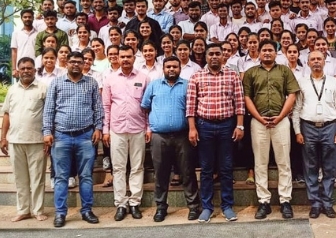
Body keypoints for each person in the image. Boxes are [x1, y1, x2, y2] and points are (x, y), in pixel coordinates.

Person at [43, 51, 104, 228]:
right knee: (61, 177)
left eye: (79, 62)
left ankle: (87, 210)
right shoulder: (56, 83)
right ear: (66, 63)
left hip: (85, 136)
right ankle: (60, 213)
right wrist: (47, 132)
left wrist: (98, 128)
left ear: (84, 64)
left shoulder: (91, 83)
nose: (76, 64)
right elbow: (49, 109)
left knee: (86, 176)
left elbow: (98, 108)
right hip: (61, 136)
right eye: (72, 62)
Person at [186, 43, 246, 223]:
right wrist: (192, 128)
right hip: (204, 126)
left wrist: (240, 126)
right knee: (206, 169)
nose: (214, 56)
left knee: (226, 168)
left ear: (223, 56)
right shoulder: (196, 76)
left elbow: (239, 102)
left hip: (227, 126)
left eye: (217, 53)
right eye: (210, 53)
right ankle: (207, 207)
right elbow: (191, 105)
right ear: (206, 57)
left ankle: (227, 206)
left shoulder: (232, 75)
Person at [243, 40, 300, 220]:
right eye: (264, 50)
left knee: (284, 162)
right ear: (259, 53)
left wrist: (281, 116)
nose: (267, 53)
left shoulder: (284, 71)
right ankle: (264, 201)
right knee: (260, 163)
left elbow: (292, 95)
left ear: (276, 53)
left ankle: (285, 200)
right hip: (258, 122)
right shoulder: (251, 73)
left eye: (270, 50)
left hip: (280, 121)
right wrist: (259, 118)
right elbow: (246, 98)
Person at [141, 56, 201, 222]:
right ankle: (161, 207)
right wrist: (149, 127)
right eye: (168, 67)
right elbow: (145, 107)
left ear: (180, 68)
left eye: (175, 66)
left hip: (183, 136)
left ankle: (193, 206)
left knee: (187, 172)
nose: (171, 69)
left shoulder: (188, 85)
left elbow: (194, 108)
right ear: (163, 69)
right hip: (159, 136)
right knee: (161, 174)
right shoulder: (154, 85)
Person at [292, 50, 336, 219]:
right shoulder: (301, 82)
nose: (316, 62)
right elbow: (296, 108)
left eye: (319, 59)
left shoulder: (333, 81)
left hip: (330, 127)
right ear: (308, 63)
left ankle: (327, 203)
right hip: (308, 127)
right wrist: (297, 131)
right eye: (313, 59)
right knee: (310, 166)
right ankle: (315, 203)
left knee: (329, 166)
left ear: (324, 62)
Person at [102, 45, 148, 221]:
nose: (126, 59)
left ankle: (135, 202)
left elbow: (147, 106)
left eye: (129, 56)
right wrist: (105, 130)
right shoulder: (110, 79)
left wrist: (148, 128)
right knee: (119, 168)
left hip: (138, 128)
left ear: (134, 58)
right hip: (117, 130)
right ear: (117, 58)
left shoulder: (144, 78)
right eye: (122, 57)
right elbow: (106, 107)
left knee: (137, 167)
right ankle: (121, 204)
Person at [1, 57, 49, 222]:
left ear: (35, 70)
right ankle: (23, 210)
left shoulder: (43, 88)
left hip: (37, 140)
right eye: (23, 68)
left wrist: (48, 136)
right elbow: (6, 114)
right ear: (18, 71)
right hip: (15, 140)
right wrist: (3, 138)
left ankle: (38, 210)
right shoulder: (12, 90)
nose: (26, 71)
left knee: (37, 179)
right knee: (20, 179)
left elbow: (49, 114)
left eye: (29, 68)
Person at [10, 9, 38, 78]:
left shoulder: (38, 33)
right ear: (21, 18)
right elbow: (14, 51)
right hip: (21, 67)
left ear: (33, 18)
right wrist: (14, 69)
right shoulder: (16, 33)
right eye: (25, 17)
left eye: (29, 17)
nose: (27, 19)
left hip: (36, 67)